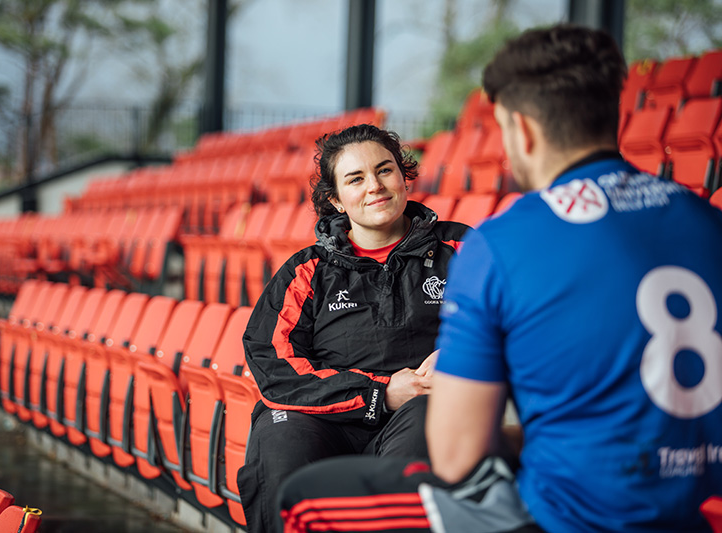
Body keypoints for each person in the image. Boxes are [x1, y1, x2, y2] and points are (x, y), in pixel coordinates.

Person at [277, 24, 722, 533]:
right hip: (692, 508)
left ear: (522, 130)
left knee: (303, 499)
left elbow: (458, 456)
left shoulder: (504, 243)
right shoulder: (705, 219)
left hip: (570, 514)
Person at [238, 124, 470, 533]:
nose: (375, 187)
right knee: (278, 447)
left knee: (429, 424)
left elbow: (517, 320)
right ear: (336, 200)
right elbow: (273, 364)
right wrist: (378, 393)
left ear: (404, 177)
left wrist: (461, 354)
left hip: (422, 407)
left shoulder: (461, 249)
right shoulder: (306, 270)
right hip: (323, 419)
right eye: (356, 179)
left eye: (385, 171)